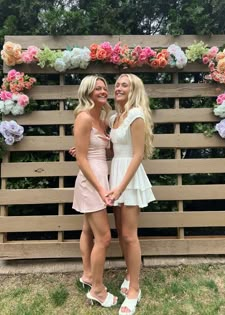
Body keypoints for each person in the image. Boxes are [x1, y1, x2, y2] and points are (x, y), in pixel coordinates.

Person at [107, 73, 155, 315]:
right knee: (120, 232)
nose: (118, 88)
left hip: (129, 178)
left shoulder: (136, 115)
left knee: (129, 235)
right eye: (116, 84)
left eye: (124, 85)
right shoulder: (115, 117)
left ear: (134, 89)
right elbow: (112, 149)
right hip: (115, 174)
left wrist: (120, 187)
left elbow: (137, 155)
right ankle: (128, 272)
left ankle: (135, 288)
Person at [71, 75, 117, 308]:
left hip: (101, 178)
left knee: (88, 229)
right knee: (104, 237)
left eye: (104, 88)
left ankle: (88, 276)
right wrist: (101, 189)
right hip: (91, 183)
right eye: (97, 88)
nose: (103, 91)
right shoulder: (84, 117)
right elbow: (82, 160)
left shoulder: (102, 119)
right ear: (88, 92)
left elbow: (104, 154)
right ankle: (98, 290)